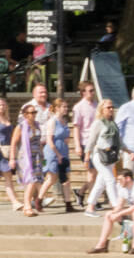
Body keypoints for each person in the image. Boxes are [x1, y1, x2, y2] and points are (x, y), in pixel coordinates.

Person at [87, 168, 134, 253]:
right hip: (133, 212)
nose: (118, 182)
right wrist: (114, 213)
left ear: (128, 178)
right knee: (108, 214)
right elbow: (119, 206)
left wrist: (119, 213)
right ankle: (101, 245)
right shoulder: (123, 187)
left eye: (120, 179)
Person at [82, 98, 121, 216]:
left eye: (112, 107)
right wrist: (87, 157)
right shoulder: (98, 123)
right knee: (110, 180)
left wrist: (128, 151)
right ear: (102, 110)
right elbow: (91, 141)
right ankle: (116, 207)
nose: (111, 109)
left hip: (111, 156)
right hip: (100, 156)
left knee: (101, 183)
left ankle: (90, 207)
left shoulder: (113, 124)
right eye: (108, 107)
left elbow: (119, 140)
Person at [38, 98, 75, 212]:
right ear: (57, 108)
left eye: (66, 106)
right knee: (52, 178)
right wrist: (58, 155)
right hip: (53, 152)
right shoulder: (52, 121)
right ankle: (38, 200)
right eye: (63, 107)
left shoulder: (64, 121)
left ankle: (68, 204)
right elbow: (49, 140)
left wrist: (67, 140)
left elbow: (64, 135)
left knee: (66, 179)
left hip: (63, 151)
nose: (66, 109)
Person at [9, 104, 43, 216]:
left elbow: (39, 142)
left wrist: (43, 159)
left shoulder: (37, 125)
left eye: (35, 112)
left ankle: (28, 205)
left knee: (35, 181)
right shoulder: (21, 126)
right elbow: (13, 143)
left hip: (37, 157)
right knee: (31, 181)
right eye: (31, 113)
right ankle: (27, 206)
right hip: (25, 158)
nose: (34, 115)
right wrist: (12, 158)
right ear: (25, 114)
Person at [70, 81, 97, 210]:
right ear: (83, 92)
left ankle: (80, 192)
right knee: (92, 172)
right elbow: (76, 127)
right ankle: (92, 201)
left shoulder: (97, 105)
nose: (92, 93)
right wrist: (77, 145)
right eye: (90, 90)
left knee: (95, 173)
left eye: (93, 90)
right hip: (85, 143)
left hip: (97, 144)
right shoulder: (78, 107)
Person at [0, 103, 19, 211]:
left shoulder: (7, 118)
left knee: (8, 176)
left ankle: (15, 202)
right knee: (7, 175)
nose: (2, 107)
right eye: (0, 105)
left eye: (3, 105)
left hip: (8, 150)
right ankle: (15, 202)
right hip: (0, 150)